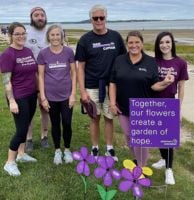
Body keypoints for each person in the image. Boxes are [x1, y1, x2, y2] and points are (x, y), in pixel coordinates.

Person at [109, 31, 174, 167]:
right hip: (123, 107)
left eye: (137, 42)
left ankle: (141, 167)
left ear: (142, 44)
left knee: (140, 140)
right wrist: (112, 103)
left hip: (143, 109)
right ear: (127, 44)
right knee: (129, 137)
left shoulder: (150, 62)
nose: (134, 45)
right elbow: (113, 83)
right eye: (131, 42)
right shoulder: (119, 60)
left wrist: (165, 83)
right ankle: (138, 159)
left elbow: (154, 85)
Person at [75, 4, 126, 161]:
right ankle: (95, 148)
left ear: (106, 18)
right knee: (94, 118)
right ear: (91, 19)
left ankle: (109, 148)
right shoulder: (85, 40)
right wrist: (82, 91)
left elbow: (123, 60)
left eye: (101, 17)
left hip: (111, 86)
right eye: (95, 18)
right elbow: (80, 67)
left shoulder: (115, 37)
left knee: (109, 117)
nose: (98, 20)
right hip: (91, 85)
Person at [151, 31, 189, 185]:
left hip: (170, 103)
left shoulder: (180, 63)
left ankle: (169, 170)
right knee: (158, 136)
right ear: (158, 45)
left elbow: (181, 88)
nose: (164, 45)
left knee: (168, 139)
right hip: (154, 102)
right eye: (161, 42)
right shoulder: (153, 62)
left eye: (167, 42)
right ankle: (162, 159)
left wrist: (178, 110)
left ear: (172, 43)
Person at [0, 22, 37, 176]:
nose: (21, 36)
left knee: (26, 124)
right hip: (18, 96)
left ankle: (21, 155)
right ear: (11, 36)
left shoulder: (28, 51)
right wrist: (12, 100)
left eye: (23, 33)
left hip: (31, 94)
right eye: (17, 34)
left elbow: (33, 72)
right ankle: (10, 162)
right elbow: (6, 81)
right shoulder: (7, 54)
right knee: (21, 130)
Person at [38, 24, 76, 165]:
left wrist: (73, 94)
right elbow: (40, 76)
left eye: (57, 34)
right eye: (52, 35)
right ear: (48, 36)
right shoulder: (43, 53)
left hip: (66, 96)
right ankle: (57, 151)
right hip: (50, 97)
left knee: (67, 123)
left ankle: (67, 149)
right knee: (55, 124)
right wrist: (43, 97)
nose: (55, 37)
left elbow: (74, 73)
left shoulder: (68, 52)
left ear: (62, 36)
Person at [25, 7, 49, 151]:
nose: (39, 17)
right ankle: (28, 138)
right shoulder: (26, 33)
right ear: (31, 17)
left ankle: (44, 136)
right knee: (28, 109)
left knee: (44, 107)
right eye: (36, 15)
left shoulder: (51, 32)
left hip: (47, 76)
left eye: (42, 15)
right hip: (29, 76)